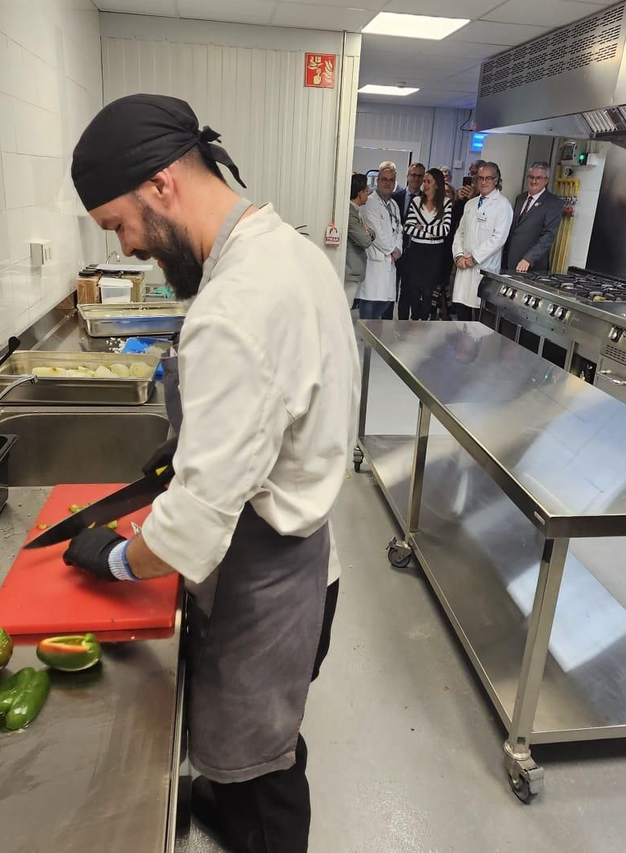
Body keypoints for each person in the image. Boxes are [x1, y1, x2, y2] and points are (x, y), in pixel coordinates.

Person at [65, 93, 354, 853]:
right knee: (266, 746)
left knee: (264, 772)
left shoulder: (232, 308)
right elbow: (289, 402)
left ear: (162, 184)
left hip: (263, 588)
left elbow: (193, 527)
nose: (127, 248)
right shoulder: (289, 249)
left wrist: (117, 556)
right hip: (308, 567)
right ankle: (227, 806)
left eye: (118, 225)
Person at [450, 160, 511, 321]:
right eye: (480, 178)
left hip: (484, 268)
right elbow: (460, 232)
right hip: (464, 268)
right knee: (462, 318)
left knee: (480, 323)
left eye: (488, 178)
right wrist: (458, 255)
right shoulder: (470, 204)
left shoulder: (503, 205)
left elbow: (499, 238)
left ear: (496, 180)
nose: (483, 182)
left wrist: (475, 257)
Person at [397, 167, 452, 320]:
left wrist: (423, 227)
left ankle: (424, 322)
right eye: (424, 181)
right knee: (414, 290)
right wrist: (431, 232)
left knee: (429, 291)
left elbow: (445, 230)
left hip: (435, 253)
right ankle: (414, 320)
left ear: (437, 184)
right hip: (416, 251)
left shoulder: (446, 203)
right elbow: (408, 227)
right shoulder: (416, 202)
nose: (424, 185)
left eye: (428, 181)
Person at [355, 164, 402, 319]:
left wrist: (399, 249)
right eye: (384, 179)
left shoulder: (394, 204)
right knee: (369, 303)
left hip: (390, 261)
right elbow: (376, 234)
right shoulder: (369, 203)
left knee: (385, 302)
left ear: (395, 183)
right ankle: (364, 341)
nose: (387, 183)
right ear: (377, 181)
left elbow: (399, 229)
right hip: (374, 260)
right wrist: (392, 250)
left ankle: (372, 338)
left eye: (391, 180)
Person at [503, 161, 562, 274]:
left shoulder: (553, 202)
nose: (534, 181)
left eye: (539, 178)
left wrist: (528, 259)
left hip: (532, 266)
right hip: (510, 262)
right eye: (531, 177)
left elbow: (548, 235)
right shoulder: (520, 198)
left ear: (546, 180)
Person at [345, 173, 374, 308]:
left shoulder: (356, 211)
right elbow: (365, 241)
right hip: (349, 270)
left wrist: (369, 233)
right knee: (345, 308)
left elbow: (369, 232)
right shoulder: (350, 213)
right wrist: (368, 233)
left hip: (353, 271)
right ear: (359, 192)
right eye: (366, 190)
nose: (368, 193)